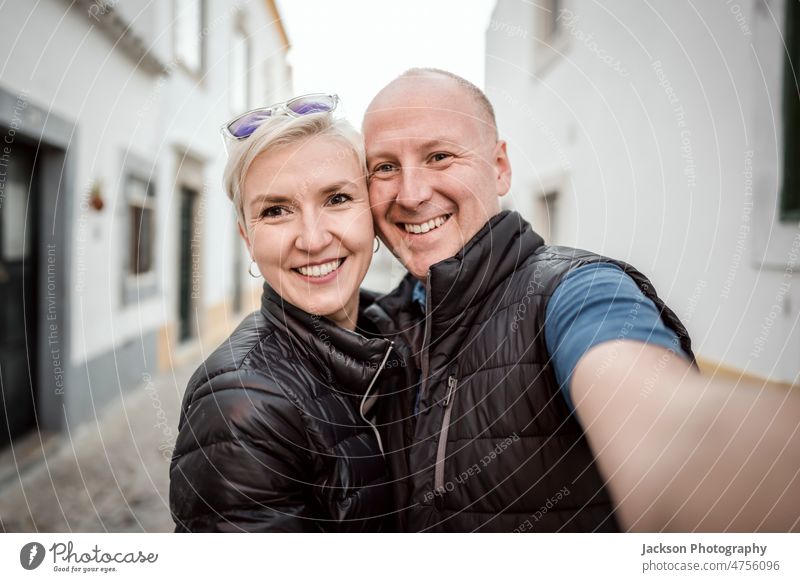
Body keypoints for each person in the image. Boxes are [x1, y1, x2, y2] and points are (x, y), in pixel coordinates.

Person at [361, 68, 800, 532]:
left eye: (440, 156)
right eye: (385, 167)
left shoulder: (578, 291)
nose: (410, 194)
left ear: (500, 167)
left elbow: (670, 426)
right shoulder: (376, 327)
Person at [169, 94, 409, 532]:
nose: (313, 239)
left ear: (372, 213)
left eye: (337, 198)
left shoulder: (402, 336)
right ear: (247, 238)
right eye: (276, 211)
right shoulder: (239, 407)